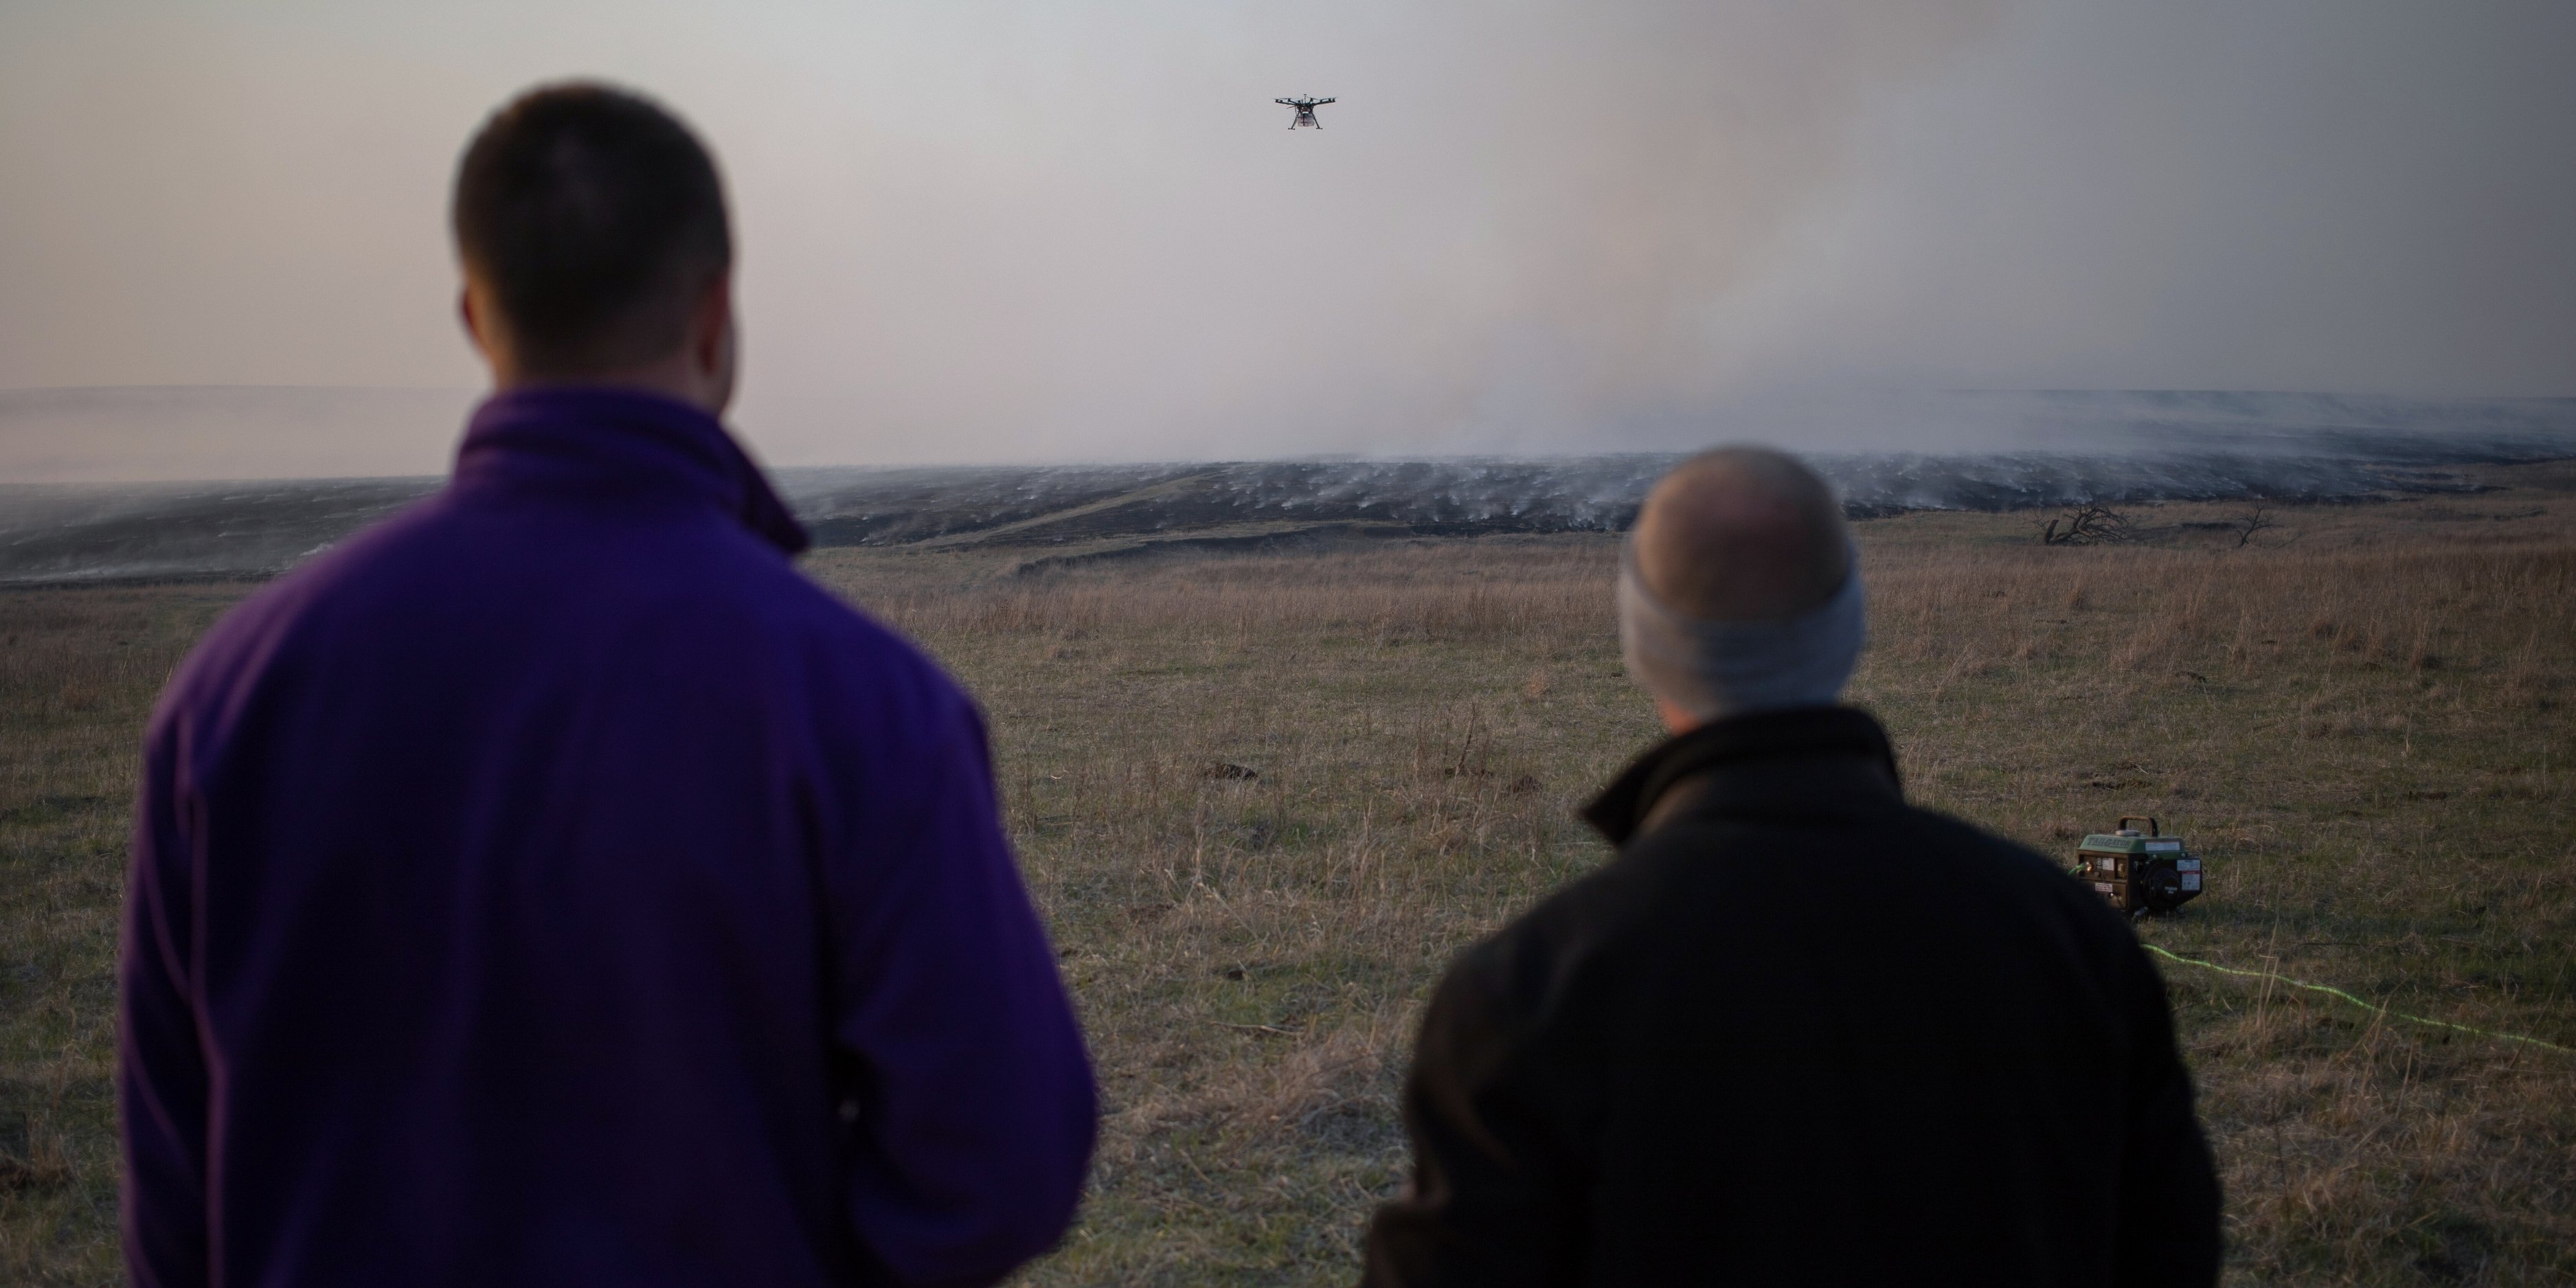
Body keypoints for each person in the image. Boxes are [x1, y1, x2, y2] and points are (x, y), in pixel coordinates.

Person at [117, 82, 1095, 1288]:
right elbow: (1004, 1160)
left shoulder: (230, 696)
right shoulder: (863, 704)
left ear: (476, 316)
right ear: (715, 313)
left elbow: (175, 1204)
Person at [1359, 447, 2221, 1286]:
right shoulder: (2073, 943)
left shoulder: (1524, 994)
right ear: (1851, 626)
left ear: (1643, 642)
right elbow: (2171, 1249)